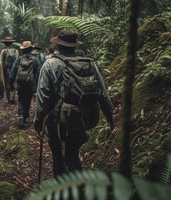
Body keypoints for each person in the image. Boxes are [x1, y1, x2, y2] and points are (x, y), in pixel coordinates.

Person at [34, 30, 114, 176]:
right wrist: (110, 116)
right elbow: (103, 93)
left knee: (58, 155)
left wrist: (39, 123)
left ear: (59, 46)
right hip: (82, 116)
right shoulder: (90, 64)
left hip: (58, 120)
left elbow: (42, 97)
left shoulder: (50, 64)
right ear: (75, 46)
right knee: (72, 154)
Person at [9, 41, 41, 128]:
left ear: (23, 50)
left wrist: (11, 84)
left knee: (20, 99)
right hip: (30, 84)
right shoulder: (35, 60)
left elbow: (12, 73)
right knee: (28, 100)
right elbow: (39, 72)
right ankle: (25, 116)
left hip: (20, 83)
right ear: (31, 49)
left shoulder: (18, 59)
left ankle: (21, 116)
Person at [0, 37, 19, 104]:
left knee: (7, 84)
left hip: (6, 70)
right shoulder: (15, 51)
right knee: (13, 83)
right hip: (14, 70)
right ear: (11, 43)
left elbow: (1, 62)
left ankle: (9, 98)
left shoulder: (3, 51)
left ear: (5, 43)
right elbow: (17, 61)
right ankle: (12, 98)